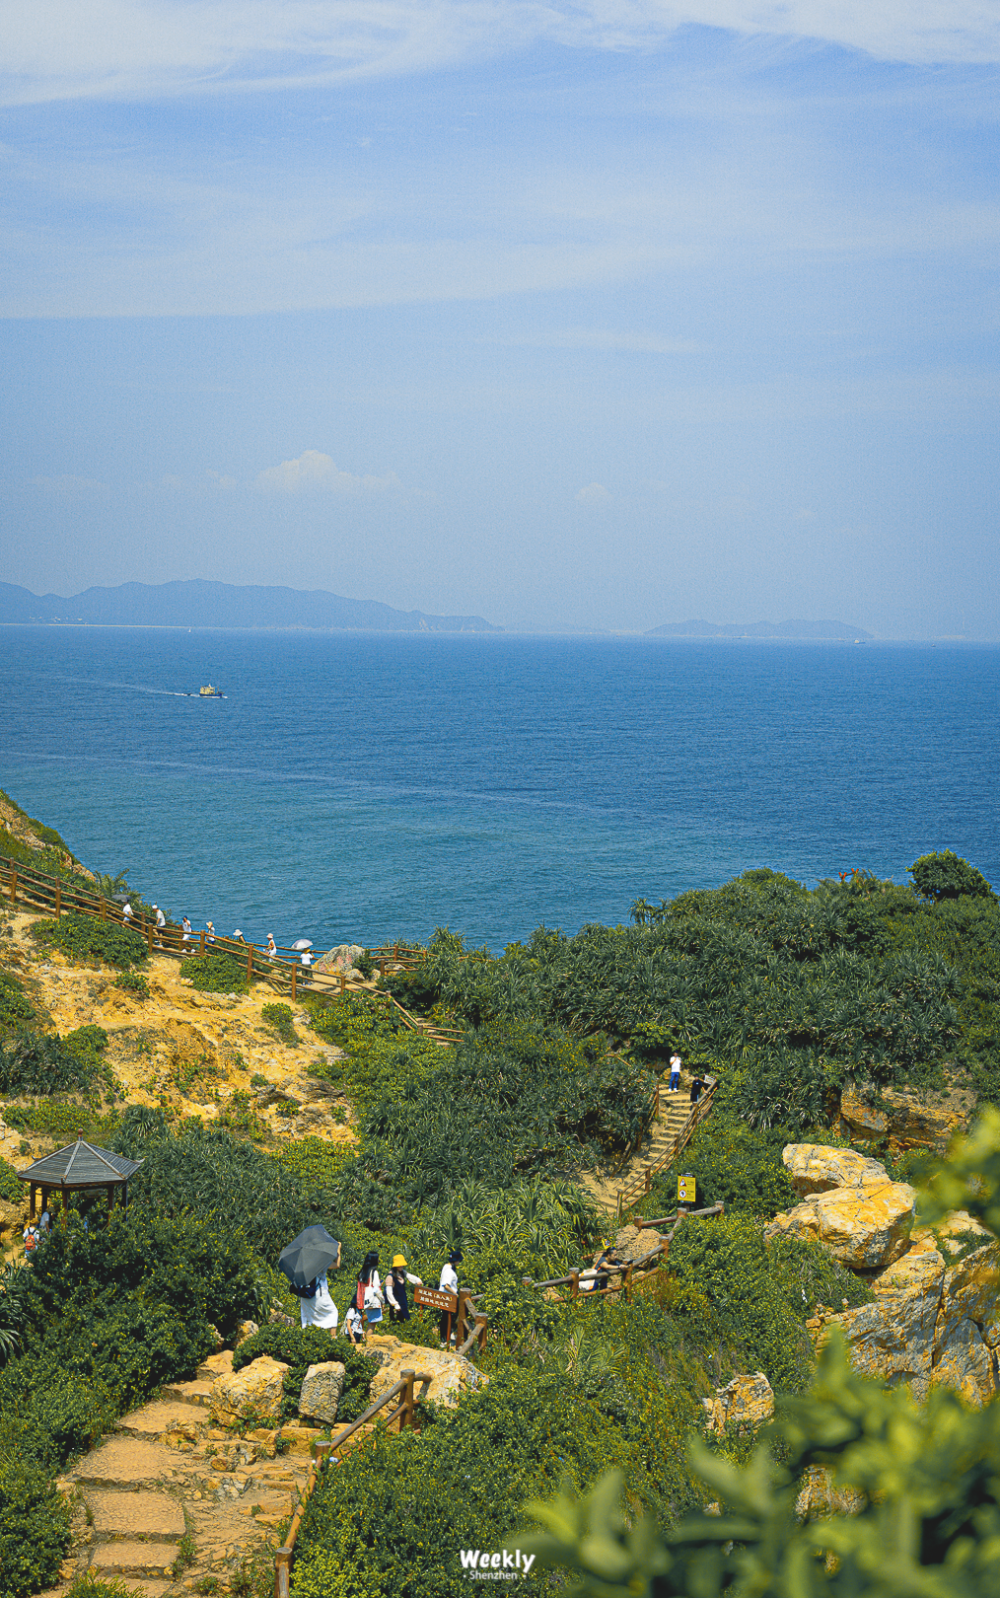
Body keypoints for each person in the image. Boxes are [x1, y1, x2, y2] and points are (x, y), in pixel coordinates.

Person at [299, 1271, 339, 1335]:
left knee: (306, 1317)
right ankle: (333, 1340)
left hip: (305, 1295)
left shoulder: (302, 1266)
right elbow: (336, 1265)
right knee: (333, 1312)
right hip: (318, 1293)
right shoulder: (319, 1263)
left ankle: (306, 1341)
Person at [386, 1255, 422, 1323]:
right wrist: (395, 1305)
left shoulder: (402, 1272)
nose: (401, 1266)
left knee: (405, 1321)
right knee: (398, 1322)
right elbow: (389, 1293)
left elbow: (410, 1276)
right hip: (396, 1304)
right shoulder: (390, 1277)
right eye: (399, 1265)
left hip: (403, 1302)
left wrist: (417, 1281)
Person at [438, 1250, 463, 1344]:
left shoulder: (446, 1266)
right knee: (447, 1318)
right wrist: (455, 1294)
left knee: (445, 1317)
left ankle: (446, 1337)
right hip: (448, 1297)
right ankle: (445, 1338)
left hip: (444, 1296)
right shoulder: (449, 1271)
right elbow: (446, 1285)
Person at [354, 1250, 384, 1329]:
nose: (379, 1260)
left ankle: (365, 1337)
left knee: (370, 1322)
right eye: (377, 1258)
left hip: (366, 1301)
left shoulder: (362, 1273)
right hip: (373, 1301)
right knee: (372, 1324)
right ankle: (369, 1340)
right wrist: (383, 1300)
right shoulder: (374, 1272)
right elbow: (376, 1289)